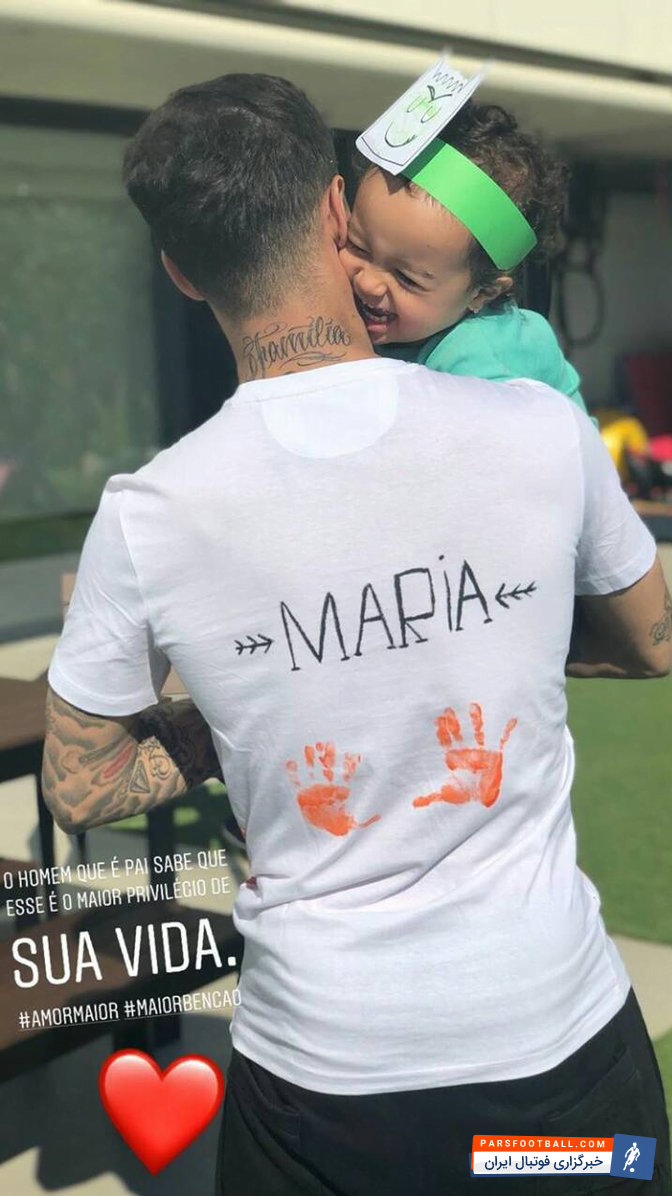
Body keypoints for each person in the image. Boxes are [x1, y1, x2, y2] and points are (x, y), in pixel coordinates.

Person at [41, 74, 671, 1196]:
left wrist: (251, 706)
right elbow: (653, 640)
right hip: (563, 1078)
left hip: (320, 1104)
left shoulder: (149, 513)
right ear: (337, 211)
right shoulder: (540, 425)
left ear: (179, 269)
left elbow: (81, 785)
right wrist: (495, 643)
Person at [341, 101, 588, 407]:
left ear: (482, 293)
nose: (367, 283)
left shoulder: (474, 362)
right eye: (357, 245)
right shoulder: (426, 324)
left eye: (406, 278)